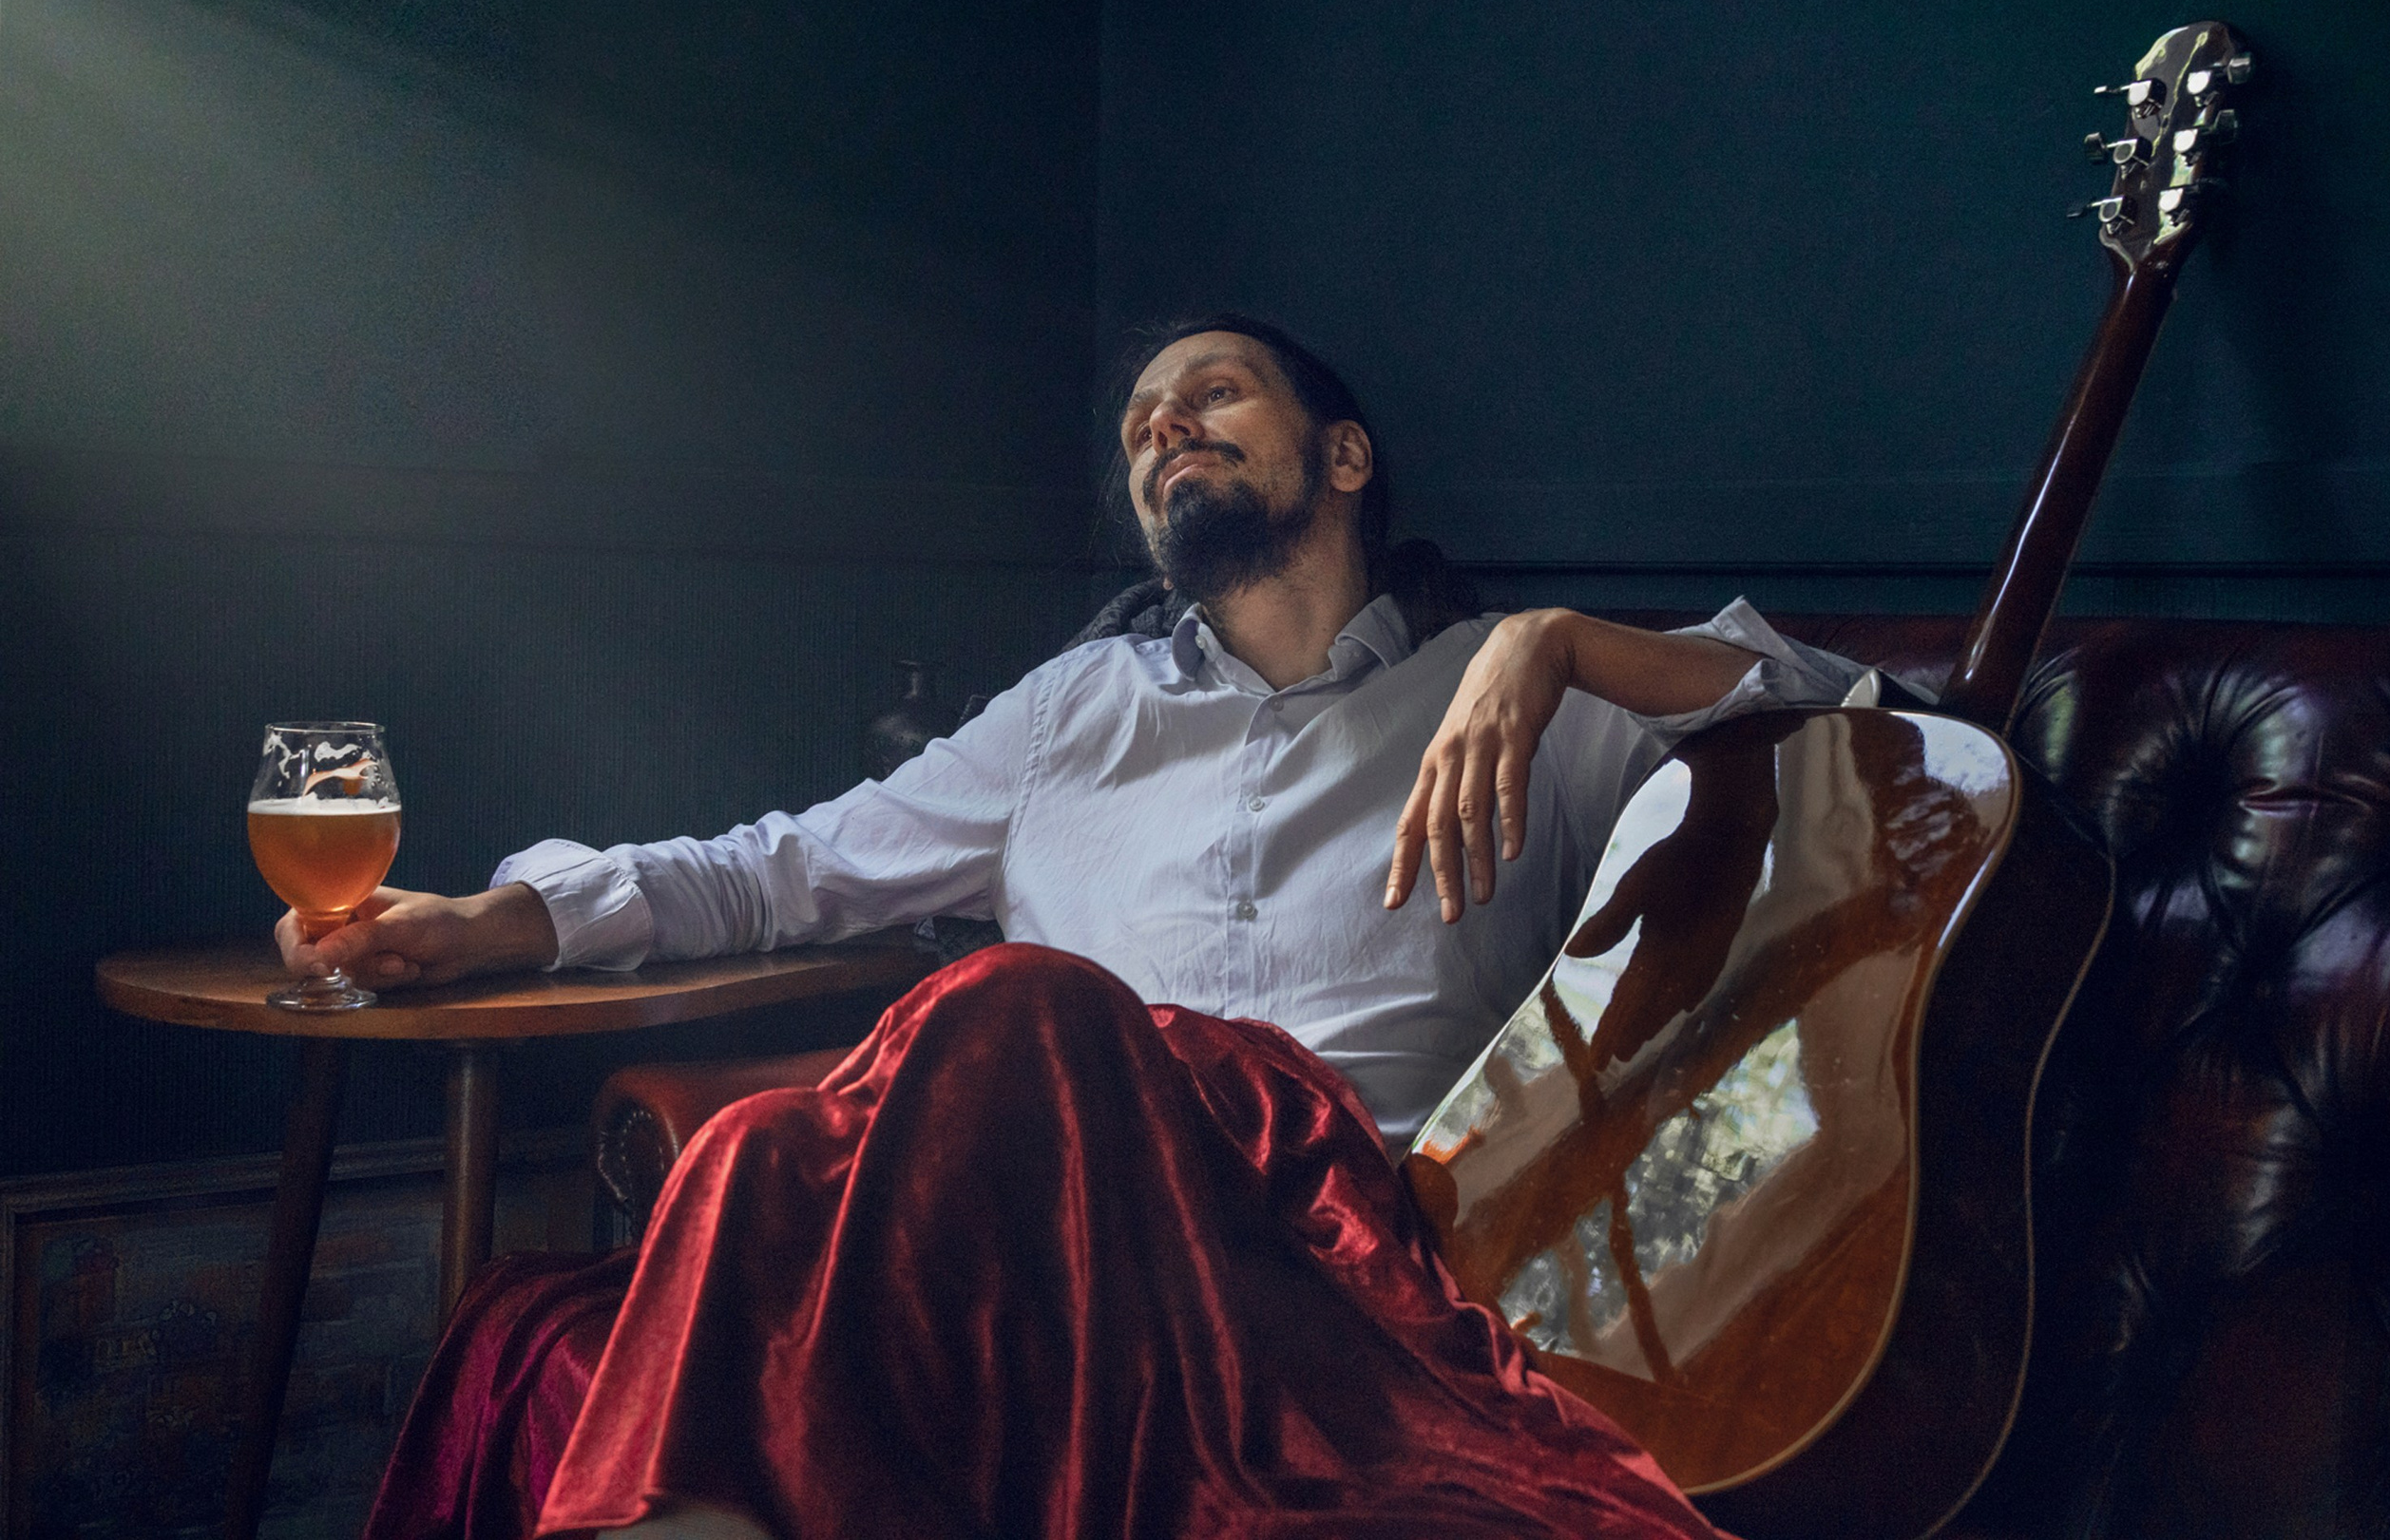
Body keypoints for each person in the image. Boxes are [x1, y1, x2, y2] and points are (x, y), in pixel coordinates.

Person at [302, 316, 1864, 1540]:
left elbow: (1866, 719)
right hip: (1045, 1242)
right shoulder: (1071, 715)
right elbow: (784, 868)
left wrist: (1558, 645)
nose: (1162, 427)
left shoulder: (1518, 701)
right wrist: (502, 919)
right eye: (1140, 428)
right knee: (721, 1177)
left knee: (1024, 1001)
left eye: (1215, 396)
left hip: (1319, 1247)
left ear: (1345, 457)